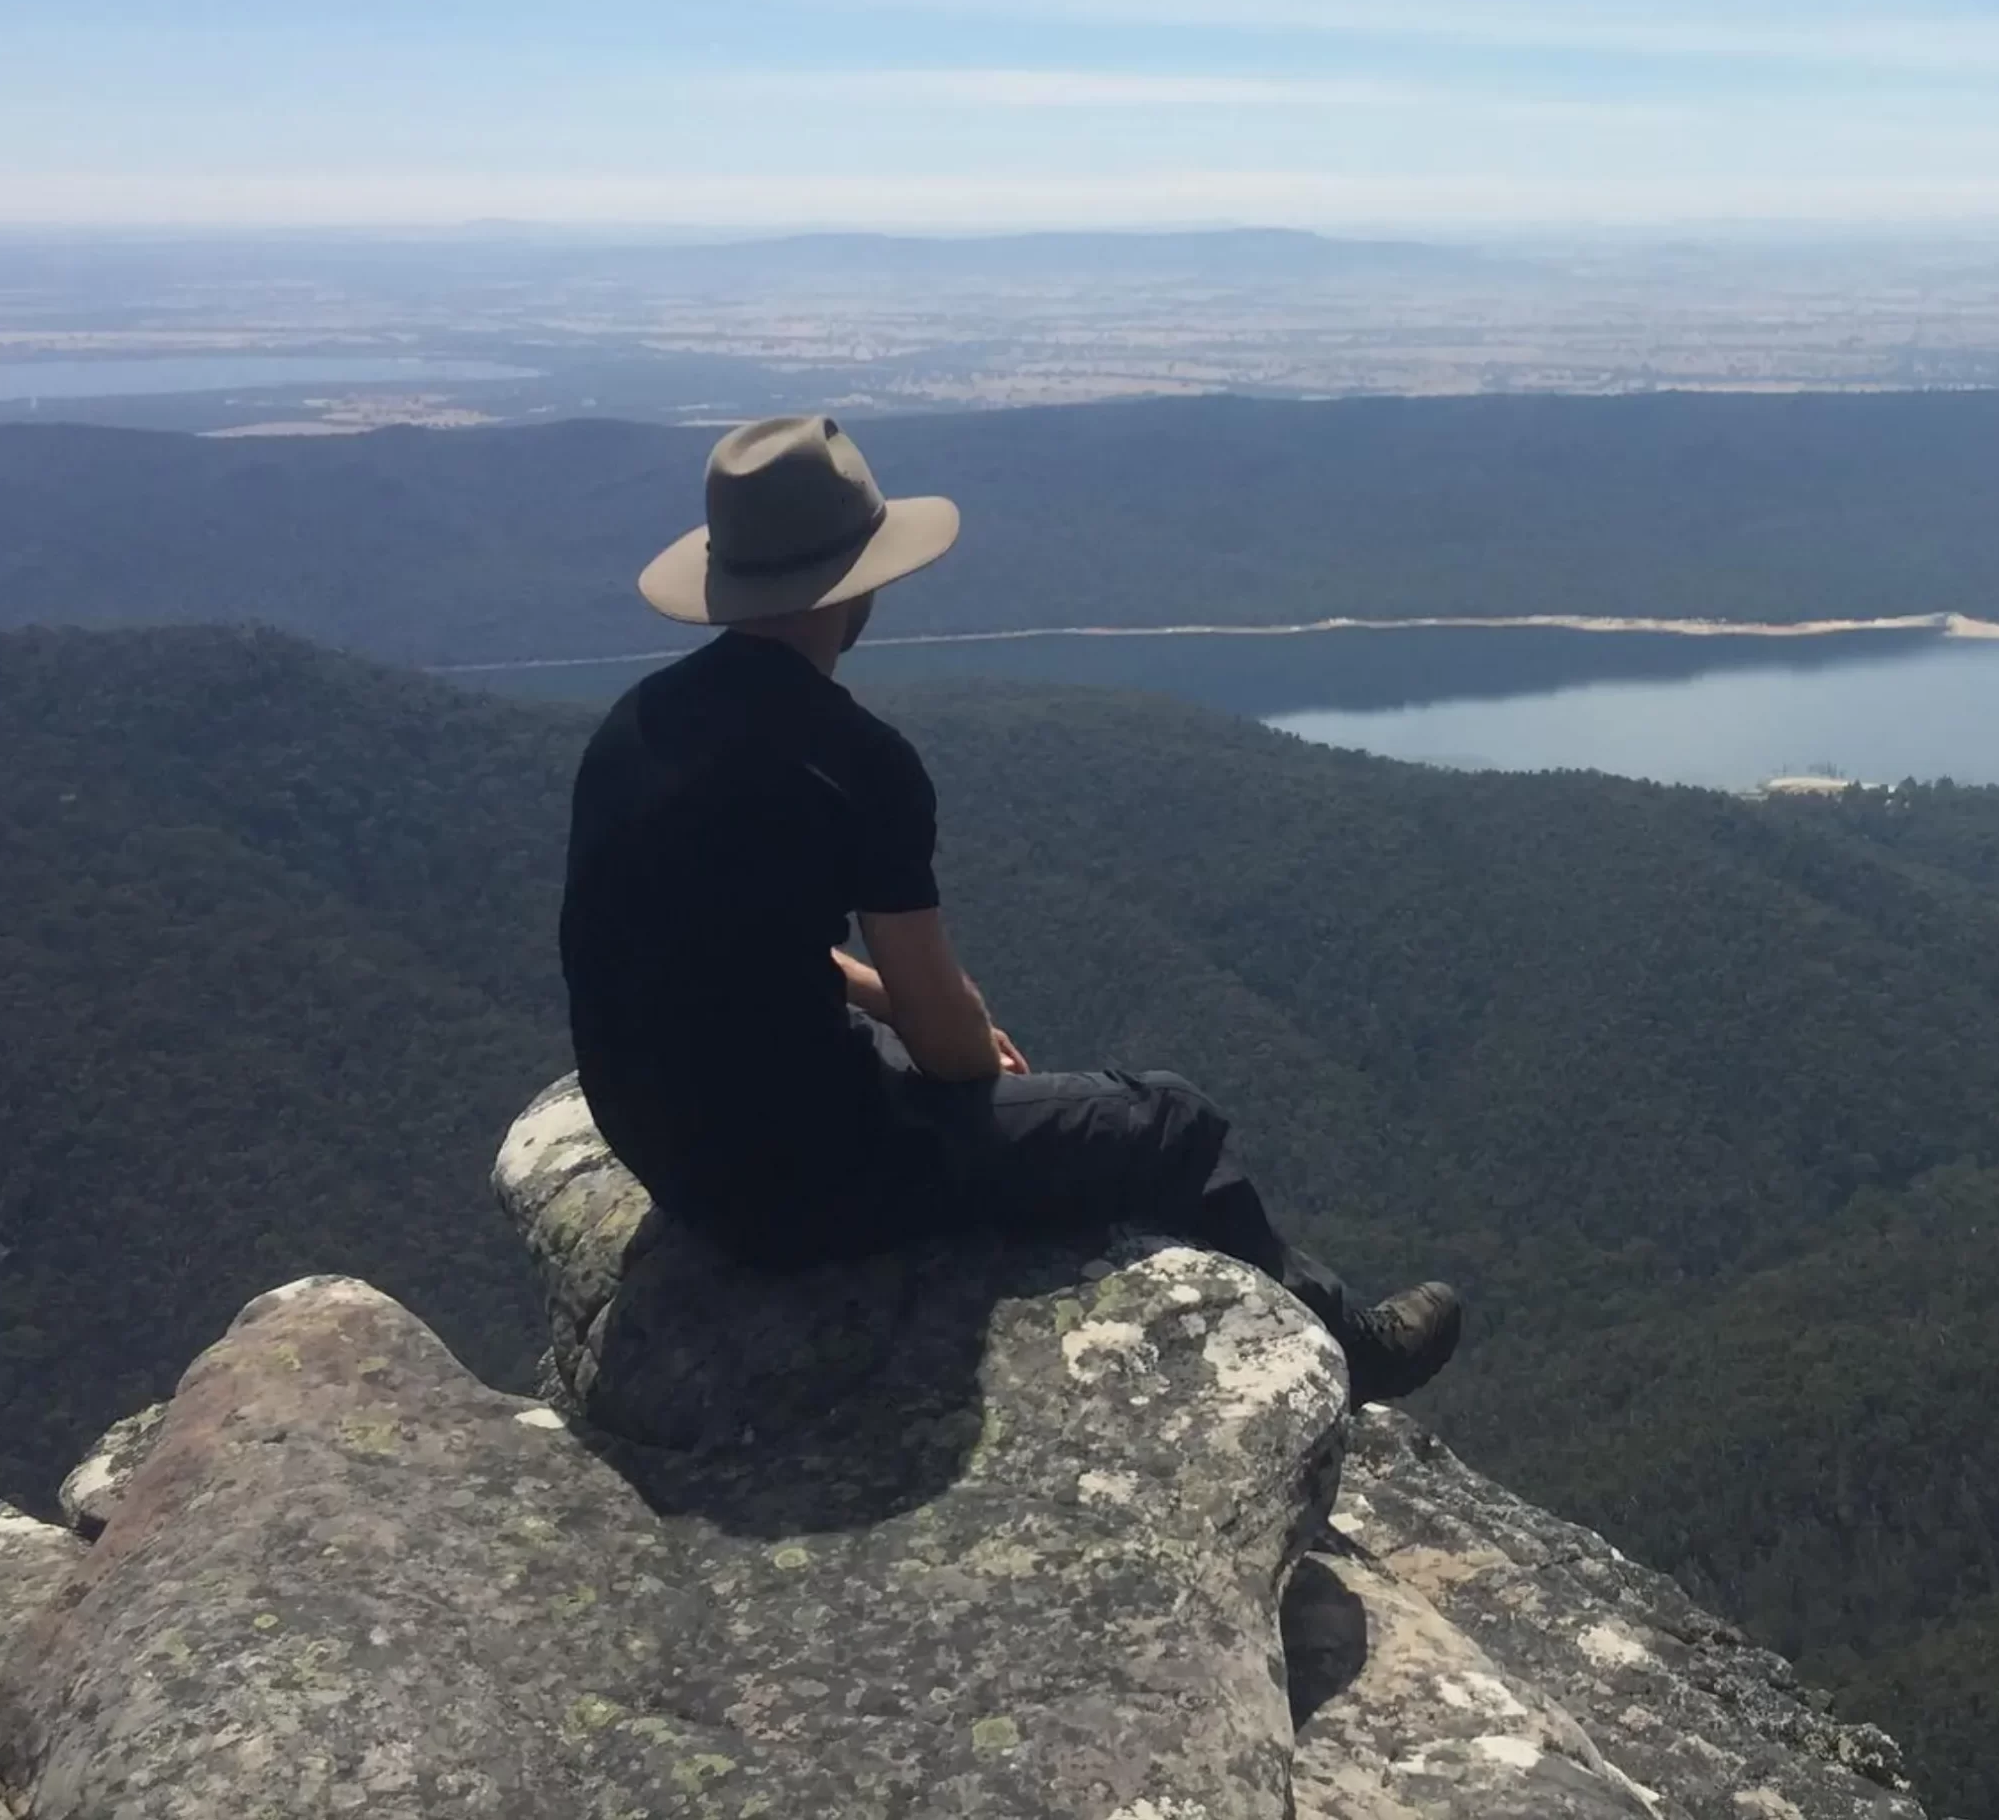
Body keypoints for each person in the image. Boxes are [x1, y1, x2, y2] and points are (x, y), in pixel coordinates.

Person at [558, 413, 1462, 1407]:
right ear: (860, 579)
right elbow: (953, 1048)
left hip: (661, 1149)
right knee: (1169, 1122)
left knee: (950, 1082)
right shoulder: (856, 763)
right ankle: (1350, 1351)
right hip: (796, 1190)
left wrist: (884, 1004)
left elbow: (725, 947)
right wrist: (965, 1045)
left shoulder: (633, 727)